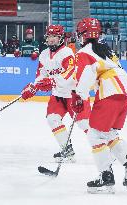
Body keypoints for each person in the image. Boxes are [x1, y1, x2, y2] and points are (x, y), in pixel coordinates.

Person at [72, 17, 127, 193]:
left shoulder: (84, 52)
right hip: (126, 88)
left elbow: (87, 74)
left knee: (95, 134)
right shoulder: (106, 49)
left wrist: (79, 96)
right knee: (109, 133)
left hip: (110, 89)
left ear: (82, 35)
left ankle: (106, 177)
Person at [21, 24, 91, 162]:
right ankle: (67, 151)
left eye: (55, 36)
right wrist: (34, 87)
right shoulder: (44, 54)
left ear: (61, 38)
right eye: (49, 36)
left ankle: (105, 147)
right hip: (58, 96)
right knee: (52, 119)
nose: (51, 39)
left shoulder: (67, 53)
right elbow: (41, 74)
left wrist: (52, 81)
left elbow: (69, 75)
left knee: (84, 124)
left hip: (74, 94)